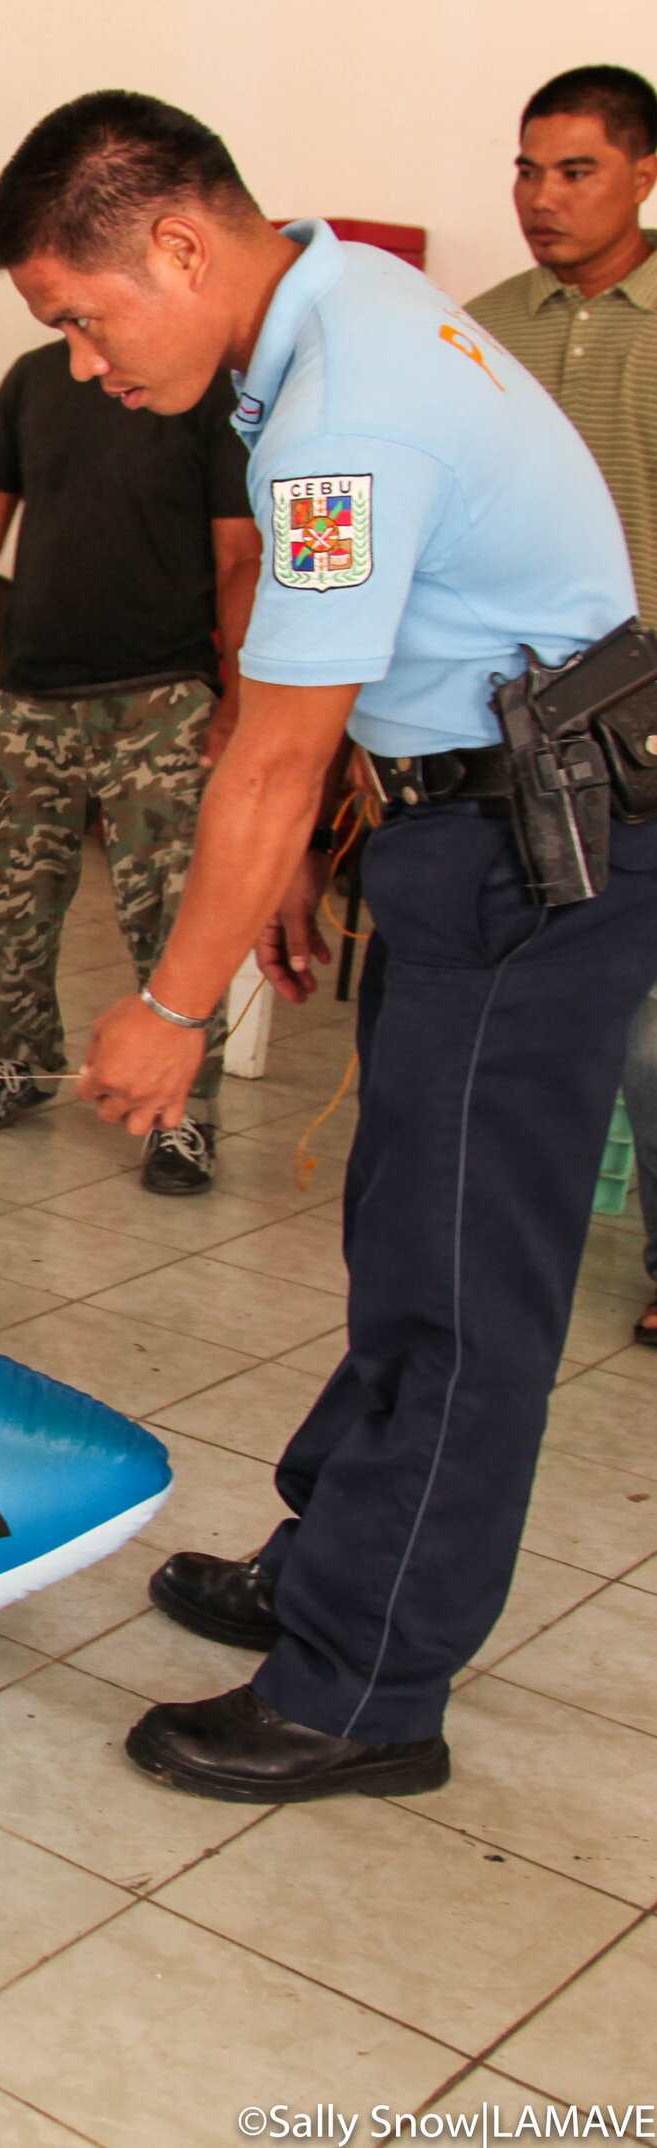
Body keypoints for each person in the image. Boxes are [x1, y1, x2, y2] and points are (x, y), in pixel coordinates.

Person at [0, 89, 657, 1806]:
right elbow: (355, 688)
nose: (80, 361)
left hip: (541, 859)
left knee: (457, 1283)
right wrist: (317, 849)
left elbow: (272, 750)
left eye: (81, 314)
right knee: (398, 1234)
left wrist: (166, 1002)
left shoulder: (340, 408)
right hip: (468, 824)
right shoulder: (332, 317)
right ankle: (337, 1562)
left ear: (182, 244)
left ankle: (367, 1682)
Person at [0, 342, 257, 1195]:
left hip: (161, 696)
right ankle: (18, 1061)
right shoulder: (32, 378)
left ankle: (185, 1114)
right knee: (4, 896)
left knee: (169, 911)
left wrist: (237, 694)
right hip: (32, 693)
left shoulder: (202, 381)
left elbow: (240, 554)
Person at [464, 66, 657, 1345]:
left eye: (573, 169)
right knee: (491, 1005)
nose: (540, 197)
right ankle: (482, 1245)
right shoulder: (473, 329)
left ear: (643, 173)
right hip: (499, 733)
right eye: (526, 169)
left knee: (648, 1027)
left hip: (645, 730)